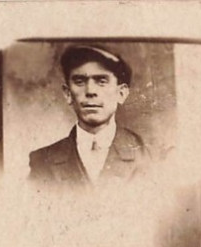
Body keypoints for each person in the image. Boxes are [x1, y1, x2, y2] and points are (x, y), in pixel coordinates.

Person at [29, 44, 150, 188]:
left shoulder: (144, 154)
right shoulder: (43, 161)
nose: (90, 91)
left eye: (101, 81)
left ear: (121, 93)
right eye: (80, 81)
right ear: (68, 94)